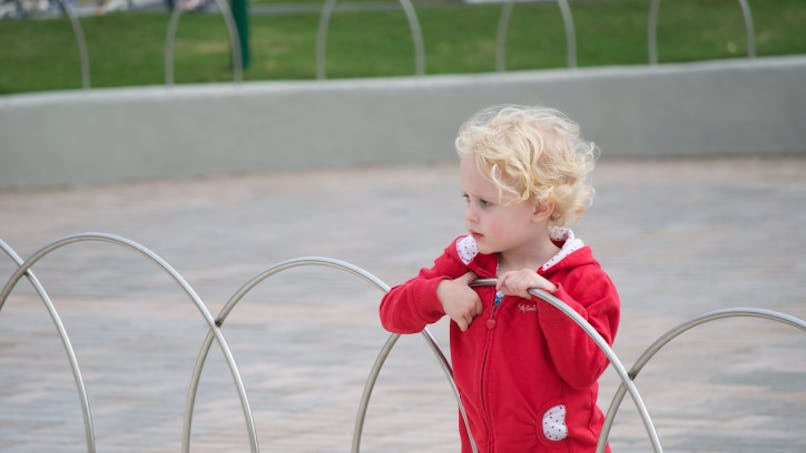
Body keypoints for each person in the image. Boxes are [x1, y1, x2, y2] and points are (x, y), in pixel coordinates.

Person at [378, 104, 620, 452]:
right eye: (467, 199)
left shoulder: (583, 281)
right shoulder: (468, 261)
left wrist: (549, 299)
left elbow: (584, 370)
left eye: (486, 203)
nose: (470, 215)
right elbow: (392, 311)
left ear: (539, 207)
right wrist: (440, 293)